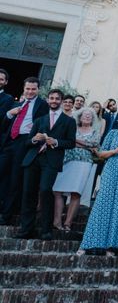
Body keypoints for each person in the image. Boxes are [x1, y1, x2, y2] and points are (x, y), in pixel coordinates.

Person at [77, 108, 118, 256]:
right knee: (103, 205)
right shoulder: (113, 133)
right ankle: (87, 244)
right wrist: (114, 151)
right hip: (112, 171)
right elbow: (100, 153)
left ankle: (111, 246)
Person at [16, 89, 76, 239]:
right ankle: (26, 229)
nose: (54, 101)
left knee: (45, 190)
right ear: (48, 100)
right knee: (28, 193)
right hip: (33, 159)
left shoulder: (69, 121)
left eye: (57, 98)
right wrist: (35, 139)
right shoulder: (39, 120)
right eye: (51, 98)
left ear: (61, 101)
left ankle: (46, 230)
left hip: (51, 161)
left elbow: (71, 143)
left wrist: (56, 141)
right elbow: (27, 142)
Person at [0, 77, 49, 224]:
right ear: (24, 89)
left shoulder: (42, 105)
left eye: (33, 89)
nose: (30, 91)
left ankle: (6, 215)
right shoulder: (17, 103)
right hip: (9, 143)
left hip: (25, 143)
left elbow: (45, 124)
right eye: (27, 88)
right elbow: (3, 126)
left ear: (38, 90)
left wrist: (36, 132)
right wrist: (9, 114)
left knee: (15, 180)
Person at [52, 107, 101, 231]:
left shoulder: (95, 131)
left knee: (76, 192)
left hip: (84, 163)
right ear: (79, 117)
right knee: (57, 190)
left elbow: (94, 144)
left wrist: (74, 141)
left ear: (93, 119)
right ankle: (57, 221)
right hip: (67, 160)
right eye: (85, 115)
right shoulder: (72, 127)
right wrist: (85, 144)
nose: (87, 117)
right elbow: (68, 141)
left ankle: (68, 223)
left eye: (90, 116)